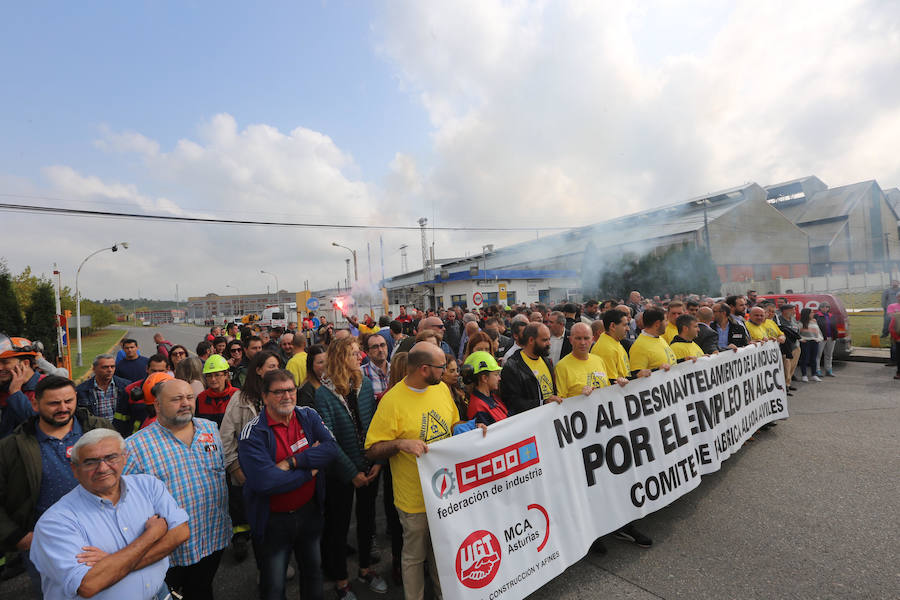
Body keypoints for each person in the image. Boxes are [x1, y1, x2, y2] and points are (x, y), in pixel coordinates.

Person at [29, 429, 190, 600]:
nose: (103, 468)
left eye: (111, 457)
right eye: (91, 462)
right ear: (74, 469)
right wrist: (151, 536)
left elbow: (181, 532)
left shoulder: (148, 485)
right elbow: (89, 584)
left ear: (124, 458)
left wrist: (113, 563)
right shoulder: (55, 522)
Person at [0, 375, 114, 595]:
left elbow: (125, 477)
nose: (63, 408)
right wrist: (18, 538)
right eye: (54, 403)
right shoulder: (11, 447)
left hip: (103, 537)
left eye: (69, 401)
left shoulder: (99, 430)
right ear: (35, 404)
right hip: (47, 547)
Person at [365, 343, 461, 600]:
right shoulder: (392, 402)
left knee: (442, 553)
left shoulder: (441, 388)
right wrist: (399, 444)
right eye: (442, 368)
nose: (447, 372)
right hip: (414, 499)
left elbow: (454, 423)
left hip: (446, 492)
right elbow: (372, 449)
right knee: (414, 557)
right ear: (424, 369)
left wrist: (471, 430)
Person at [124, 378, 231, 600]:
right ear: (157, 406)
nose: (185, 403)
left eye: (189, 397)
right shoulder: (135, 446)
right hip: (168, 553)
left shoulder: (210, 429)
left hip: (211, 538)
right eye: (176, 399)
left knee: (202, 591)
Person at [239, 369, 340, 600]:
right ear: (264, 397)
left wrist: (293, 461)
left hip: (309, 513)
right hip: (273, 521)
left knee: (313, 574)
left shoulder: (308, 415)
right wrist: (309, 472)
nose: (287, 396)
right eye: (279, 392)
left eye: (291, 390)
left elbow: (331, 449)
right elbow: (266, 482)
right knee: (274, 586)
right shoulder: (252, 434)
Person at [315, 338, 387, 599]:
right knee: (339, 526)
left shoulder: (364, 384)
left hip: (369, 465)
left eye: (359, 353)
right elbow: (328, 439)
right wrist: (350, 472)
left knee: (368, 522)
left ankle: (366, 569)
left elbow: (375, 426)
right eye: (354, 354)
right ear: (339, 358)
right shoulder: (324, 393)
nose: (360, 357)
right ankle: (341, 580)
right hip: (340, 472)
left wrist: (378, 461)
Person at [220, 349, 282, 563]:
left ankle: (279, 563)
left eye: (278, 366)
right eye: (271, 367)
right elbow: (226, 438)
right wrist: (236, 470)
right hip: (248, 475)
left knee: (278, 522)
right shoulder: (240, 399)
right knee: (258, 524)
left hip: (278, 472)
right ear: (258, 370)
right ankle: (265, 569)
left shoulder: (282, 395)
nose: (277, 371)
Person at [499, 323, 561, 416]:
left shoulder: (547, 361)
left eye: (549, 339)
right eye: (544, 340)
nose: (549, 343)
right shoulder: (512, 366)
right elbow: (513, 402)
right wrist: (542, 403)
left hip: (551, 418)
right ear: (531, 340)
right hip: (531, 422)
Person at [0, 335, 41, 438]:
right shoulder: (4, 387)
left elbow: (37, 427)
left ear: (25, 363)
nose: (0, 367)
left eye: (5, 362)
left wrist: (15, 392)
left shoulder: (46, 387)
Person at [554, 323, 609, 398]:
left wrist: (621, 387)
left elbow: (608, 389)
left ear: (592, 340)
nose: (583, 343)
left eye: (586, 338)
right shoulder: (562, 367)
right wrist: (580, 397)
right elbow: (561, 401)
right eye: (578, 338)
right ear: (570, 340)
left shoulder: (599, 361)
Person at [75, 353, 129, 423]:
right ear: (94, 369)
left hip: (120, 431)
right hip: (95, 432)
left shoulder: (126, 386)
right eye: (105, 367)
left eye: (112, 367)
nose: (110, 370)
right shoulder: (81, 390)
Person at [628, 307, 676, 375]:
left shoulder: (659, 338)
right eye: (665, 320)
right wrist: (657, 370)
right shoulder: (639, 347)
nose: (667, 323)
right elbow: (637, 376)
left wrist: (684, 360)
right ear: (657, 324)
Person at [591, 309, 632, 386]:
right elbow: (612, 382)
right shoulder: (606, 349)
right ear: (612, 326)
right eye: (624, 325)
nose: (628, 329)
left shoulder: (615, 341)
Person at [196, 354, 239, 426]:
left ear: (226, 375)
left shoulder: (237, 395)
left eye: (217, 375)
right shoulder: (201, 398)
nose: (213, 379)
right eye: (209, 375)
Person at [361, 333, 391, 401]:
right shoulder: (360, 373)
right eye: (375, 347)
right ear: (367, 352)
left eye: (383, 345)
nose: (380, 350)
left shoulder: (396, 370)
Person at [798, 308, 823, 383]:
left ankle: (814, 375)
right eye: (811, 312)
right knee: (804, 359)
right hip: (805, 342)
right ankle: (804, 375)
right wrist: (801, 339)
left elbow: (818, 332)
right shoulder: (800, 322)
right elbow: (797, 333)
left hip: (814, 342)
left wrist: (818, 339)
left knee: (813, 359)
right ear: (807, 314)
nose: (813, 314)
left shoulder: (814, 321)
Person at [298, 344, 327, 408]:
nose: (325, 365)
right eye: (320, 362)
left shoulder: (332, 384)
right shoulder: (306, 391)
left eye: (327, 361)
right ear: (311, 365)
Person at [814, 302, 838, 377]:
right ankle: (817, 371)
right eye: (823, 307)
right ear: (820, 308)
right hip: (821, 338)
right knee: (818, 355)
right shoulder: (817, 316)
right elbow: (815, 327)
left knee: (829, 355)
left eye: (827, 307)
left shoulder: (831, 316)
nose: (825, 308)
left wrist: (835, 336)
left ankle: (828, 370)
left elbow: (834, 326)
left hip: (831, 338)